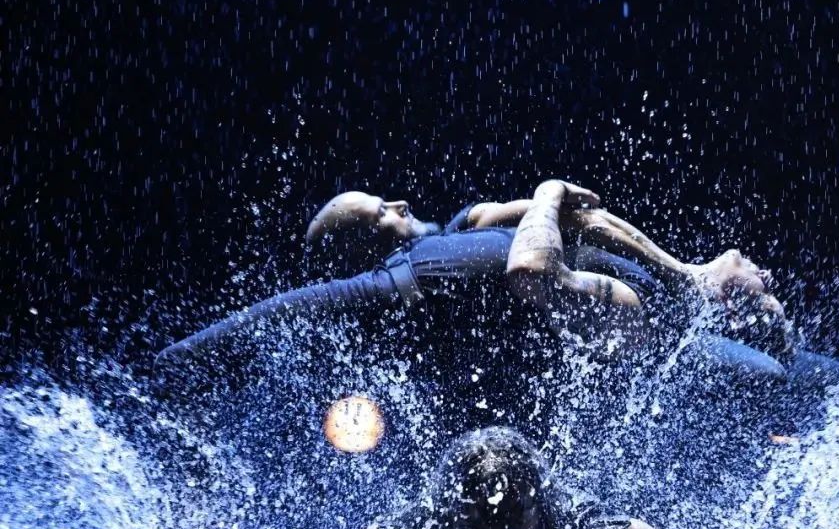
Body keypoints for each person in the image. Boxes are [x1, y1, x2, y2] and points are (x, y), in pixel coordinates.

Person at [156, 180, 790, 370]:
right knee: (773, 378)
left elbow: (581, 215)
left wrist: (689, 273)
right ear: (368, 248)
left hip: (664, 307)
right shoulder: (397, 279)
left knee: (796, 365)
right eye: (379, 212)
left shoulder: (463, 227)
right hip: (648, 339)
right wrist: (180, 358)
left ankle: (706, 295)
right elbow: (280, 312)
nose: (399, 203)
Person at [251, 426, 789, 529]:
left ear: (537, 508)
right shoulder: (424, 527)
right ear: (456, 513)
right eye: (479, 523)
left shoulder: (583, 527)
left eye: (510, 520)